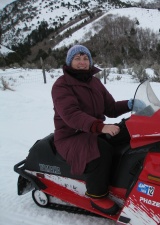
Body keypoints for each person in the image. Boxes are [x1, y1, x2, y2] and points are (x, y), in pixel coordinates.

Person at [51, 45, 133, 215]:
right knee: (100, 149)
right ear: (69, 61)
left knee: (129, 130)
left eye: (85, 58)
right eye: (77, 58)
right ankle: (97, 195)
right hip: (71, 136)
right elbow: (71, 115)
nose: (82, 62)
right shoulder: (61, 85)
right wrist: (101, 127)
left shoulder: (94, 82)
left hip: (94, 130)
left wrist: (130, 104)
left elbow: (110, 108)